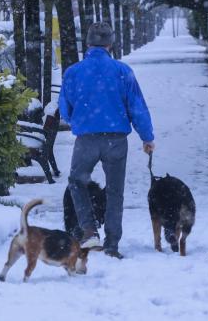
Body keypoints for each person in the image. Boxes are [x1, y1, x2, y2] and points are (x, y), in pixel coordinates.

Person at [59, 22, 154, 259]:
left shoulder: (73, 72)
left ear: (88, 43)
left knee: (76, 182)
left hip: (86, 139)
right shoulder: (122, 71)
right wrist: (147, 137)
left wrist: (80, 120)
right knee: (115, 191)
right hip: (116, 140)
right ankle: (112, 244)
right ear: (110, 44)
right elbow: (137, 107)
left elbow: (65, 109)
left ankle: (89, 230)